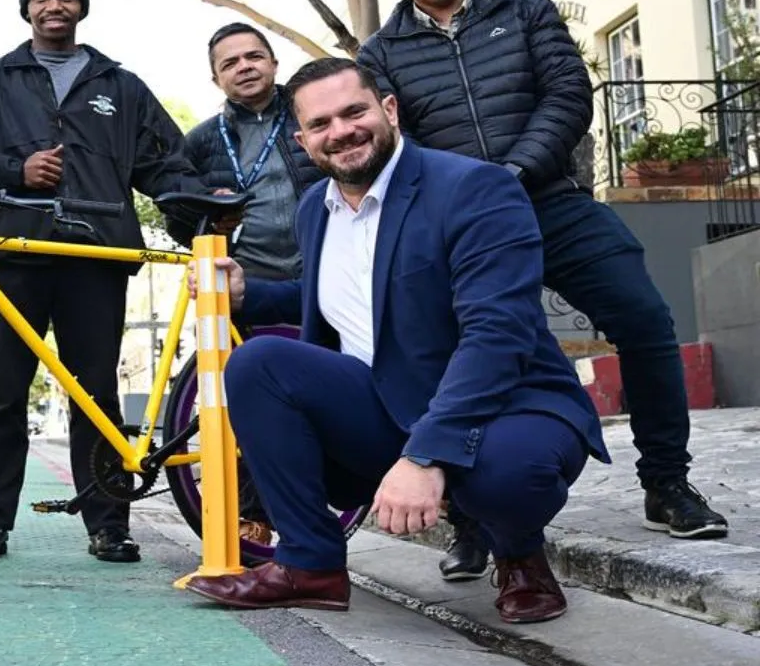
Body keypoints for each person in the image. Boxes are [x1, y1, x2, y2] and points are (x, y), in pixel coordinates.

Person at [357, 0, 729, 583]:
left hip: (549, 201)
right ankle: (470, 520)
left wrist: (513, 173)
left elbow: (566, 95)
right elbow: (389, 143)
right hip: (459, 225)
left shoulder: (528, 11)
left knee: (645, 321)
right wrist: (459, 199)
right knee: (446, 353)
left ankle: (667, 485)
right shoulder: (380, 54)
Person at [182, 58, 609, 623]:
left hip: (509, 406)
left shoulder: (475, 189)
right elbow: (353, 294)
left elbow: (496, 335)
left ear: (388, 110)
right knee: (259, 362)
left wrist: (426, 454)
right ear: (303, 139)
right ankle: (310, 566)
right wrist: (249, 296)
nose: (341, 131)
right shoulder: (318, 208)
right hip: (387, 402)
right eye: (321, 123)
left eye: (354, 111)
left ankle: (519, 552)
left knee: (507, 479)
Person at [0, 0, 209, 564]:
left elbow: (163, 165)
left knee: (96, 393)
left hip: (96, 257)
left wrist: (202, 204)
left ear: (81, 6)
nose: (53, 6)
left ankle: (108, 523)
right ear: (26, 8)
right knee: (3, 392)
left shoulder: (121, 85)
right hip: (15, 256)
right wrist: (15, 171)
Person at [169, 22, 324, 546]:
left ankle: (320, 509)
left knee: (331, 395)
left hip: (321, 277)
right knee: (247, 409)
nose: (245, 67)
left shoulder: (312, 113)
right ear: (216, 79)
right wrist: (208, 219)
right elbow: (177, 214)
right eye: (230, 63)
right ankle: (254, 513)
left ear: (274, 63)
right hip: (245, 288)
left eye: (254, 56)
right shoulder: (202, 141)